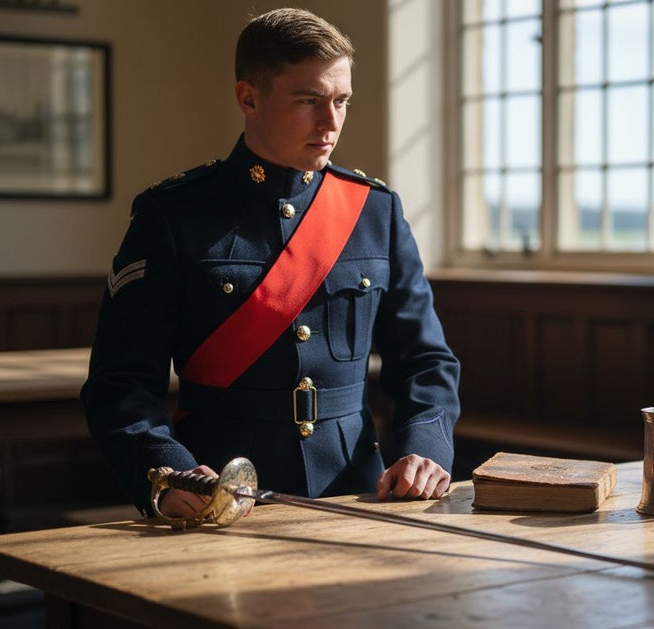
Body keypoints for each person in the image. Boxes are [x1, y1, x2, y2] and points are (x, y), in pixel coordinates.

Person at [81, 7, 460, 519]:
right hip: (219, 499)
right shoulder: (172, 215)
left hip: (359, 494)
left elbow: (424, 361)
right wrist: (167, 472)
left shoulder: (375, 211)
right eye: (309, 101)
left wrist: (424, 451)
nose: (332, 123)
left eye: (341, 101)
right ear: (249, 98)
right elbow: (120, 382)